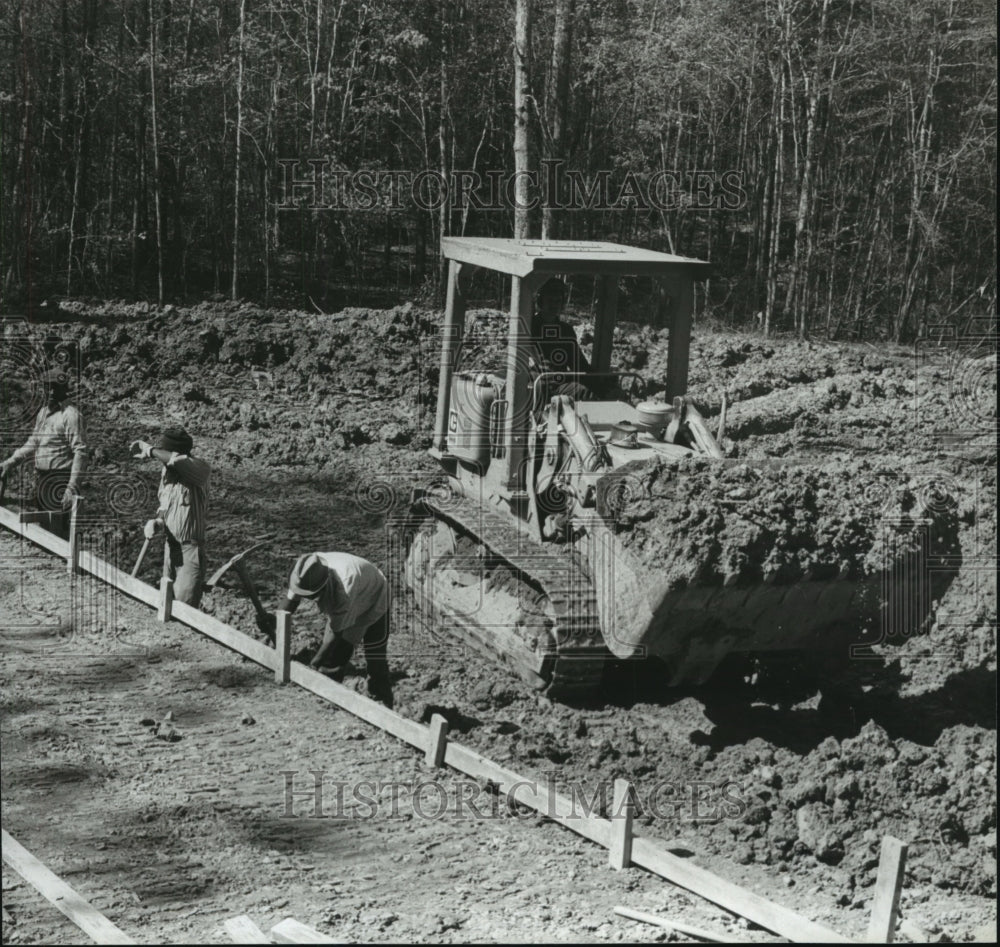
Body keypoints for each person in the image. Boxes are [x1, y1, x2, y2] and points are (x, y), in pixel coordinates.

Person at [259, 552, 393, 708]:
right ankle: (328, 696)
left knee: (357, 653)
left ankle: (382, 701)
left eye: (309, 595)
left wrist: (314, 665)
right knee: (334, 652)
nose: (306, 598)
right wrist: (275, 620)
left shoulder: (344, 587)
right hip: (357, 583)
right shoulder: (306, 570)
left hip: (375, 595)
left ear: (321, 587)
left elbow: (334, 634)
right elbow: (290, 602)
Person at [0, 368, 88, 538]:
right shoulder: (43, 413)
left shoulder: (71, 415)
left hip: (60, 479)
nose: (52, 392)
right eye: (49, 387)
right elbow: (33, 442)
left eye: (57, 387)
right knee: (46, 530)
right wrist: (10, 462)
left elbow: (81, 452)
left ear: (65, 389)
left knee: (60, 532)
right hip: (42, 478)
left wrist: (72, 487)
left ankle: (65, 563)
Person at [130, 427, 210, 607]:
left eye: (165, 452)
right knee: (166, 606)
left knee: (184, 608)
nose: (163, 458)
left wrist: (150, 450)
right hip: (171, 548)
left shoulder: (199, 469)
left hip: (190, 551)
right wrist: (158, 521)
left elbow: (177, 461)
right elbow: (165, 505)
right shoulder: (168, 473)